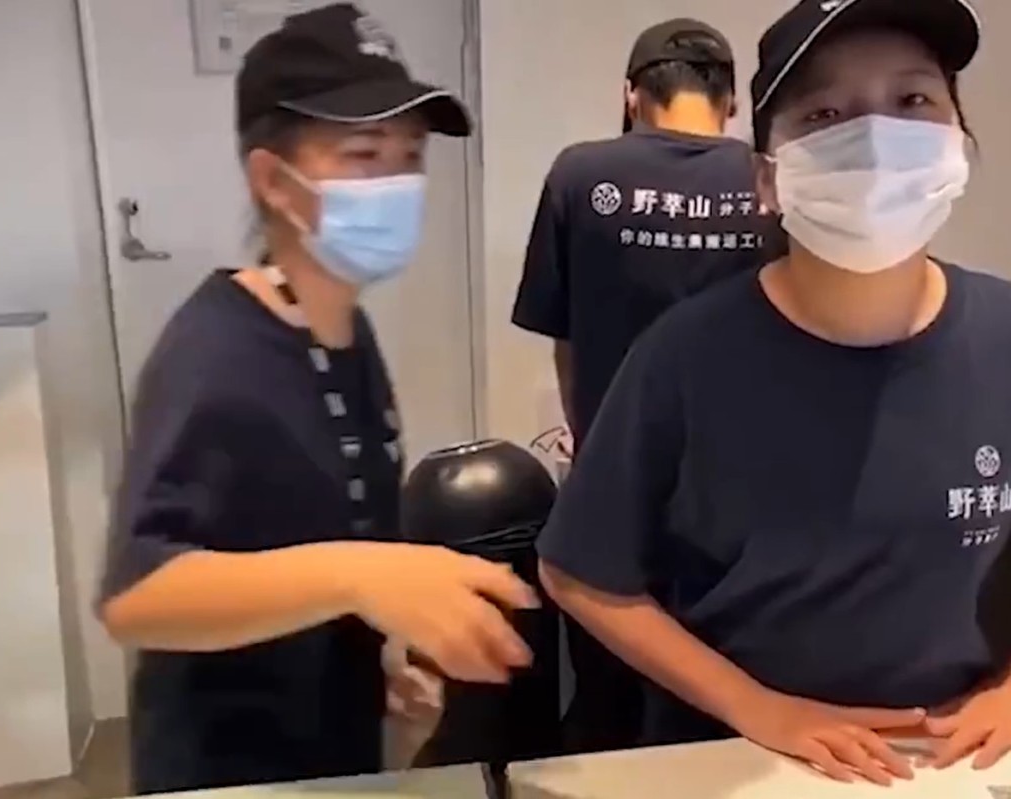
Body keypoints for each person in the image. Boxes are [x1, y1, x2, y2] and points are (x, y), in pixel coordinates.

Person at [538, 0, 1011, 787]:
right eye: (826, 114)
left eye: (913, 99)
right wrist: (759, 707)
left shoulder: (1002, 331)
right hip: (746, 762)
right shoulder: (686, 356)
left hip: (958, 763)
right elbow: (578, 571)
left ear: (959, 141)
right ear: (767, 178)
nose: (877, 139)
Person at [97, 4, 536, 793]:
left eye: (410, 157)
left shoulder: (346, 332)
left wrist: (376, 668)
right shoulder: (216, 352)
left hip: (331, 757)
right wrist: (363, 575)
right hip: (225, 773)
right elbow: (138, 594)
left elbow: (316, 543)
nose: (397, 183)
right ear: (274, 180)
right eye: (364, 155)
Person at [510, 19, 781, 755]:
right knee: (733, 715)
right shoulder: (769, 180)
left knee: (610, 707)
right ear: (730, 103)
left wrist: (589, 444)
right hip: (752, 506)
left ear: (631, 95)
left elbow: (565, 337)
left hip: (616, 492)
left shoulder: (579, 175)